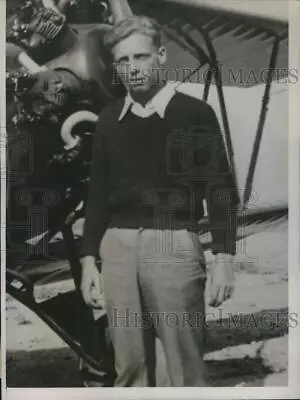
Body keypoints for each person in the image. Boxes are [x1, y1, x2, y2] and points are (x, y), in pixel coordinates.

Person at [80, 15, 238, 387]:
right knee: (129, 365)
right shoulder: (107, 120)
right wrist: (89, 259)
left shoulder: (195, 114)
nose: (132, 68)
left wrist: (225, 260)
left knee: (184, 365)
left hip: (173, 243)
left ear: (161, 55)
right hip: (117, 248)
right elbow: (97, 195)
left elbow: (219, 189)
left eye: (141, 57)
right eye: (123, 61)